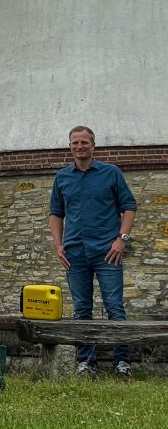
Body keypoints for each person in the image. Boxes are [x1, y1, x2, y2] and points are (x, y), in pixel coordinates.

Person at [49, 125, 136, 376]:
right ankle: (86, 362)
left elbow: (129, 207)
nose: (79, 147)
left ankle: (123, 363)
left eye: (84, 142)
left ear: (93, 145)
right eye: (75, 143)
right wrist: (58, 245)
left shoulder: (111, 173)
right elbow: (56, 213)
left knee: (114, 307)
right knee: (81, 309)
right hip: (75, 253)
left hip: (108, 252)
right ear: (70, 147)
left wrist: (122, 239)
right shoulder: (62, 177)